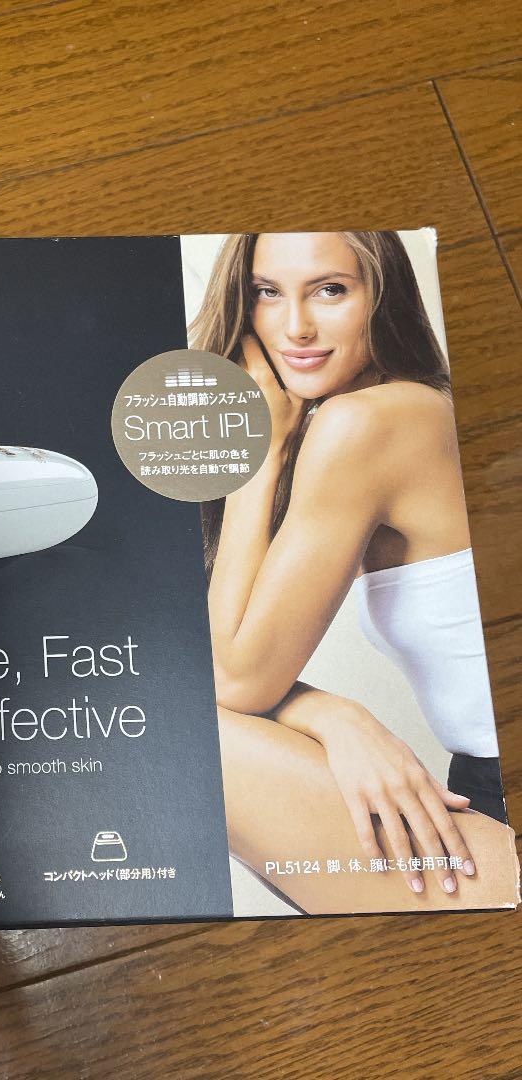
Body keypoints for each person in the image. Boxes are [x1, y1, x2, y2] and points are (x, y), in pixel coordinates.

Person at [189, 231, 514, 914]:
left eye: (330, 290)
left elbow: (232, 681)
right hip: (481, 787)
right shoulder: (420, 407)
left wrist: (262, 449)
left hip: (499, 802)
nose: (296, 327)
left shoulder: (367, 422)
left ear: (381, 294)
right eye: (267, 292)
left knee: (184, 734)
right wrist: (335, 716)